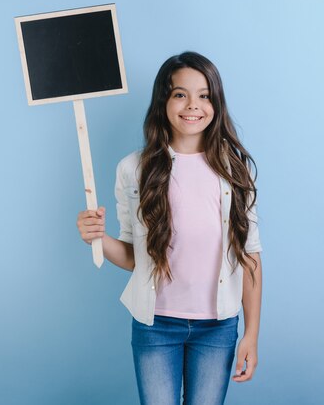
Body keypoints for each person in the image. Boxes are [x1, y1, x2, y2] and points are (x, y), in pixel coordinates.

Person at [77, 51, 262, 405]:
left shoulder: (235, 170)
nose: (193, 105)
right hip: (156, 325)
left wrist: (251, 333)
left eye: (204, 95)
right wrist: (98, 238)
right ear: (163, 101)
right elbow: (134, 257)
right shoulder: (134, 169)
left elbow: (250, 255)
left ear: (216, 103)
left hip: (218, 327)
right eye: (180, 94)